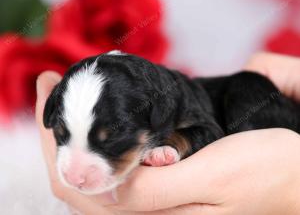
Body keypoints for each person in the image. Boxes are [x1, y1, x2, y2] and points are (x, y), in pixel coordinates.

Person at [36, 52, 300, 215]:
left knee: (249, 86)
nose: (74, 174)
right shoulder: (147, 100)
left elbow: (208, 132)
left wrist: (175, 144)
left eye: (111, 140)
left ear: (155, 109)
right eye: (63, 135)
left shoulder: (172, 103)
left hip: (257, 105)